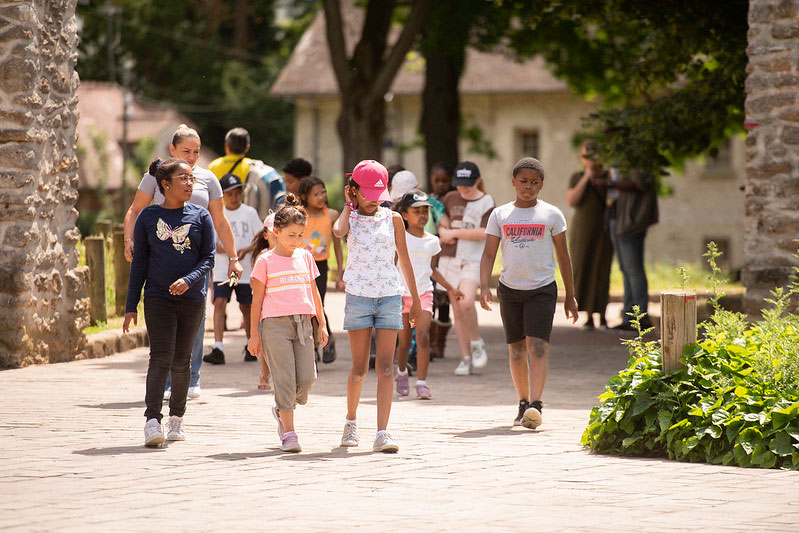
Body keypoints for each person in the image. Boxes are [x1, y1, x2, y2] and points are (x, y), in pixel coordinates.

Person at [123, 125, 243, 400]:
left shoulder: (208, 179)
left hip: (196, 258)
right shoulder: (157, 177)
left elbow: (220, 220)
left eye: (196, 152)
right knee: (162, 317)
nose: (191, 157)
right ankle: (165, 380)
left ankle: (192, 376)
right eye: (186, 151)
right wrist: (130, 240)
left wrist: (233, 257)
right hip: (160, 258)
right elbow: (135, 210)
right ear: (172, 150)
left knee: (196, 318)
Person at [480, 157, 579, 430]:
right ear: (513, 182)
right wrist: (483, 286)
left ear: (542, 185)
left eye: (534, 182)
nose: (528, 187)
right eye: (523, 181)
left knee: (537, 346)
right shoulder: (500, 215)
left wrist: (570, 295)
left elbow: (563, 255)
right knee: (515, 350)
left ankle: (536, 404)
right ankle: (523, 402)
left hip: (542, 289)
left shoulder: (552, 215)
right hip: (510, 289)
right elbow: (489, 253)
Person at [123, 158, 215, 447]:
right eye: (183, 178)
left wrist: (189, 279)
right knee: (160, 357)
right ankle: (152, 421)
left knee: (181, 360)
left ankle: (177, 418)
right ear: (165, 184)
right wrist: (130, 305)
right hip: (158, 297)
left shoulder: (201, 216)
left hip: (191, 299)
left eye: (192, 179)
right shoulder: (149, 217)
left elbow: (209, 257)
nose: (190, 183)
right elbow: (139, 263)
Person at [333, 160, 421, 453]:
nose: (372, 200)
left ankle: (383, 432)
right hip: (358, 298)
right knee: (359, 369)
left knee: (385, 368)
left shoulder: (393, 219)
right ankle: (351, 421)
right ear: (354, 190)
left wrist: (416, 300)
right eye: (366, 193)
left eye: (377, 194)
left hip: (389, 298)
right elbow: (337, 231)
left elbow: (405, 262)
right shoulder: (352, 219)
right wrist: (348, 205)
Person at [246, 195, 328, 453]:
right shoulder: (265, 261)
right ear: (276, 232)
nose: (296, 240)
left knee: (307, 379)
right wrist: (254, 336)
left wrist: (322, 324)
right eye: (291, 235)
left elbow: (314, 293)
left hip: (304, 324)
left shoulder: (305, 257)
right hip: (274, 327)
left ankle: (282, 409)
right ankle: (289, 432)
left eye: (300, 235)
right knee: (284, 380)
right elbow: (256, 302)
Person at [394, 191, 463, 400]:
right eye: (416, 211)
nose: (422, 215)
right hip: (401, 295)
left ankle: (422, 383)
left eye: (425, 211)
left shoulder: (433, 241)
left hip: (424, 293)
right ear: (404, 215)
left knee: (423, 336)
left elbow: (432, 269)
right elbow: (392, 265)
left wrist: (450, 287)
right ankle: (402, 372)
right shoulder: (399, 238)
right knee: (404, 342)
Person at [437, 161, 494, 376]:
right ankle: (465, 358)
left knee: (467, 301)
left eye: (468, 184)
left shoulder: (486, 201)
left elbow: (485, 231)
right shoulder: (451, 198)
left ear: (477, 180)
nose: (463, 188)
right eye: (460, 184)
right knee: (457, 311)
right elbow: (442, 219)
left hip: (473, 259)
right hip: (450, 259)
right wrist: (444, 230)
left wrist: (454, 233)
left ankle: (476, 342)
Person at [203, 174, 264, 365]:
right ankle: (218, 347)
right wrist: (227, 252)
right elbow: (210, 240)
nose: (234, 197)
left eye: (238, 193)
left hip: (245, 269)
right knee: (219, 302)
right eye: (229, 194)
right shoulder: (217, 214)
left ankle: (249, 344)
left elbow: (261, 237)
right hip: (222, 267)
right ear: (222, 196)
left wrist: (247, 250)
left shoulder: (249, 213)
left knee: (246, 306)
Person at [565, 141, 614, 330]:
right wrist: (587, 176)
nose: (591, 160)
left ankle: (602, 314)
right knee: (582, 268)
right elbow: (571, 200)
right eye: (587, 156)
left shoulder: (609, 176)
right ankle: (587, 314)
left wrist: (600, 179)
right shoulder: (577, 177)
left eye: (594, 155)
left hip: (603, 230)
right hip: (582, 230)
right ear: (581, 157)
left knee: (601, 270)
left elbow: (613, 200)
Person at [606, 166, 659, 330]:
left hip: (630, 224)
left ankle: (641, 317)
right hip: (617, 220)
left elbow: (639, 183)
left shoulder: (638, 160)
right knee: (626, 269)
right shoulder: (620, 161)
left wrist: (611, 182)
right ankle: (629, 317)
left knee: (634, 270)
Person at [298, 177, 344, 364]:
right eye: (315, 194)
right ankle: (313, 346)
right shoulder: (299, 215)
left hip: (320, 267)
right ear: (304, 197)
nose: (321, 196)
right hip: (300, 266)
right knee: (305, 307)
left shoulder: (332, 215)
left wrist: (340, 271)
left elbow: (338, 246)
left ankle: (322, 341)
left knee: (318, 305)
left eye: (323, 192)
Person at [427, 162, 454, 359]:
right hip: (429, 255)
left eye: (445, 180)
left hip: (448, 254)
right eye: (437, 180)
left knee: (444, 299)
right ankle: (427, 341)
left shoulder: (454, 201)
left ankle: (440, 343)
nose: (441, 184)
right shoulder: (428, 201)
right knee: (430, 298)